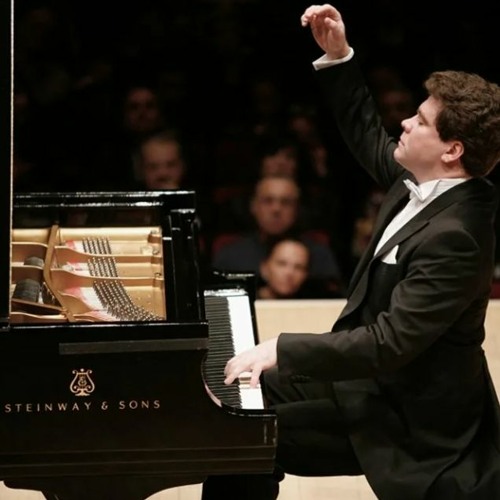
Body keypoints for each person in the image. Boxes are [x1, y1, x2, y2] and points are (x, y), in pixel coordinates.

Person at [202, 4, 500, 500]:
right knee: (236, 402)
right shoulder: (422, 183)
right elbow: (367, 135)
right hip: (368, 383)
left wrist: (281, 349)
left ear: (452, 151)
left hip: (407, 418)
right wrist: (339, 57)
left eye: (421, 120)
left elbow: (389, 342)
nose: (405, 122)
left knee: (240, 438)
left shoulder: (458, 237)